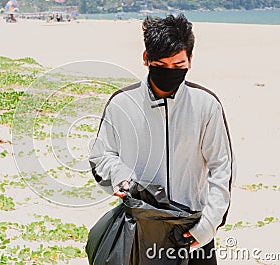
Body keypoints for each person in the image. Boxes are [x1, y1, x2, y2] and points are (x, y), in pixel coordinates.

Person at [89, 13, 235, 264]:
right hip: (138, 228)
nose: (170, 73)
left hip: (192, 229)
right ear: (146, 58)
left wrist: (208, 225)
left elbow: (221, 168)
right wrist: (120, 174)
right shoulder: (122, 103)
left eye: (178, 66)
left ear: (190, 59)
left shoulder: (206, 105)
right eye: (161, 65)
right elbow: (101, 155)